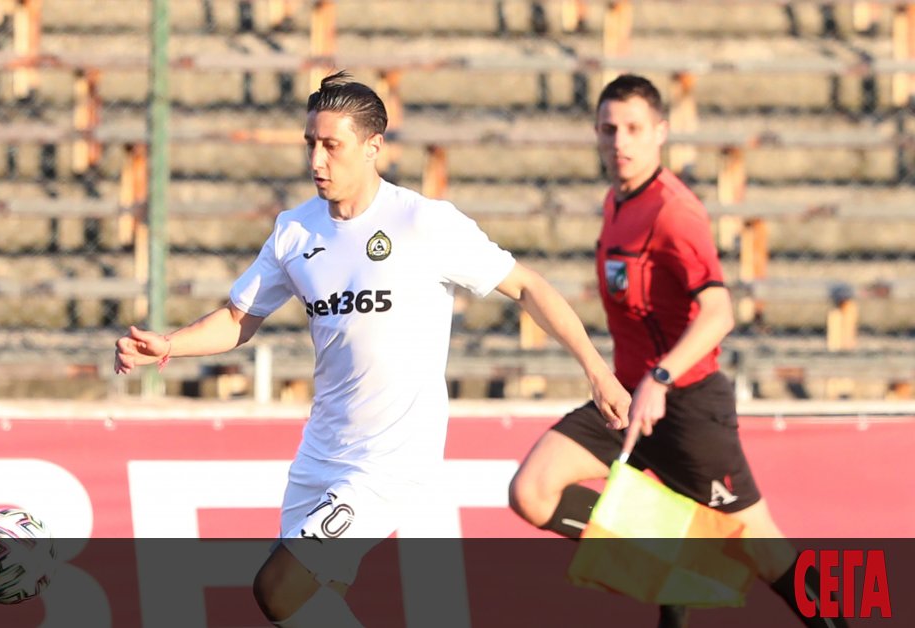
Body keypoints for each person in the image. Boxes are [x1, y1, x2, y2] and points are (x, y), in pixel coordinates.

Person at [114, 70, 630, 627]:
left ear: (372, 147)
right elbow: (240, 319)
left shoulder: (422, 222)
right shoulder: (295, 231)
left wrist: (597, 371)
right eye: (310, 144)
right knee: (301, 609)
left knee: (278, 588)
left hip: (391, 456)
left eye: (331, 146)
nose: (316, 161)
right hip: (321, 453)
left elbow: (527, 286)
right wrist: (169, 345)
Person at [507, 74, 848, 628]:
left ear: (661, 132)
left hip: (686, 407)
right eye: (609, 129)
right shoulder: (616, 201)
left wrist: (660, 378)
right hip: (627, 401)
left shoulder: (675, 212)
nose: (620, 141)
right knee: (533, 490)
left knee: (766, 552)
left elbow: (720, 312)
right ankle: (679, 551)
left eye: (634, 128)